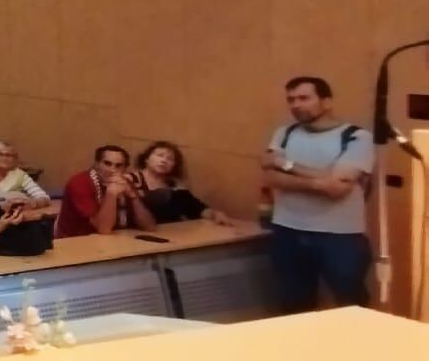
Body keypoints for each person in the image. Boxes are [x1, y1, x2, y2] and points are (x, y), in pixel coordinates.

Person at [260, 76, 375, 311]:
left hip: (339, 237)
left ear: (326, 101)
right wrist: (321, 181)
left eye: (304, 98)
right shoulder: (284, 133)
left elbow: (337, 189)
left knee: (352, 306)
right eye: (291, 99)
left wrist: (286, 165)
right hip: (287, 232)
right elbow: (270, 178)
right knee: (294, 307)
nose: (296, 105)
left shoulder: (356, 137)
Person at [55, 146, 157, 238]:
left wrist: (133, 196)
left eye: (118, 165)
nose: (112, 170)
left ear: (125, 169)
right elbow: (104, 229)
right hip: (74, 242)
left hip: (114, 240)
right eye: (107, 164)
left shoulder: (125, 182)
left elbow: (149, 226)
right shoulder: (79, 183)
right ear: (96, 164)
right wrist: (111, 195)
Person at [130, 140, 233, 226]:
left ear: (174, 166)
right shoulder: (131, 180)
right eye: (159, 155)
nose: (164, 160)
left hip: (170, 236)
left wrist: (216, 214)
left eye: (170, 159)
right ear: (146, 159)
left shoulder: (176, 188)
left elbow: (197, 209)